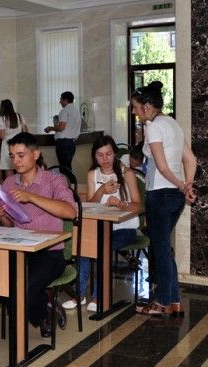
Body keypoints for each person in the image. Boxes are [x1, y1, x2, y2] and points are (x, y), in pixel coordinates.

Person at [0, 132, 76, 337]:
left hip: (50, 253)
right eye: (12, 156)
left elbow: (70, 212)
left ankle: (42, 312)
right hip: (20, 250)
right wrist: (0, 215)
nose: (16, 161)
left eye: (21, 155)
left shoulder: (54, 181)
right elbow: (8, 225)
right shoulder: (9, 183)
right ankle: (45, 306)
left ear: (36, 154)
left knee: (24, 290)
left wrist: (31, 197)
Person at [131, 82, 197, 317]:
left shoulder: (155, 127)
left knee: (160, 251)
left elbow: (162, 166)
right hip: (175, 197)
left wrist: (181, 185)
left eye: (136, 107)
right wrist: (187, 185)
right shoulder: (172, 123)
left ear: (147, 106)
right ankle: (175, 301)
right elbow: (191, 159)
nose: (134, 112)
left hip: (160, 194)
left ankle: (162, 303)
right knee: (164, 249)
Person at [65, 136, 141, 312]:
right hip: (99, 228)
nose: (105, 159)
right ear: (94, 156)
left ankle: (99, 296)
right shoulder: (93, 174)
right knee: (83, 247)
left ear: (115, 153)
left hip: (124, 228)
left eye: (108, 154)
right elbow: (90, 205)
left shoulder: (127, 173)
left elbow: (138, 205)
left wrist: (122, 205)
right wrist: (101, 190)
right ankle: (79, 294)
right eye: (100, 155)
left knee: (102, 248)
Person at [44, 91, 81, 171]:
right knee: (67, 166)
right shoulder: (77, 111)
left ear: (65, 100)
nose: (60, 102)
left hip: (63, 143)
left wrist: (50, 128)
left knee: (64, 168)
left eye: (61, 99)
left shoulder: (64, 110)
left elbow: (61, 128)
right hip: (72, 143)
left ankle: (67, 179)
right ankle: (69, 179)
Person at [0, 99, 26, 177]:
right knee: (20, 167)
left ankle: (10, 184)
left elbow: (2, 135)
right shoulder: (19, 116)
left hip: (7, 145)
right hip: (19, 143)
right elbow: (25, 131)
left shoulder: (2, 119)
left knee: (8, 169)